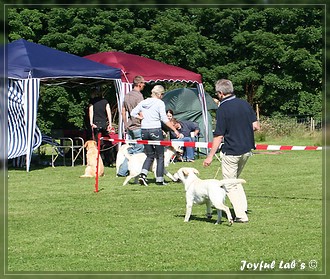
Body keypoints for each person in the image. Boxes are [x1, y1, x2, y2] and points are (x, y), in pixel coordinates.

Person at [203, 79, 260, 223]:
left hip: (232, 151)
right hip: (247, 150)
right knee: (235, 180)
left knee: (229, 184)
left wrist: (210, 156)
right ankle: (243, 207)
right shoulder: (245, 104)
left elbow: (219, 135)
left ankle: (241, 215)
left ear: (220, 93)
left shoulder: (223, 108)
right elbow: (256, 126)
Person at [131, 85, 182, 186]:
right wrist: (174, 130)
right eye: (162, 94)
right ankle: (159, 179)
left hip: (144, 130)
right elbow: (164, 119)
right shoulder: (160, 103)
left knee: (150, 155)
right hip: (155, 130)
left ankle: (143, 175)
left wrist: (140, 118)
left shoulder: (144, 102)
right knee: (160, 156)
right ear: (159, 94)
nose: (162, 96)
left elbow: (133, 113)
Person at [117, 75, 146, 176]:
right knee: (138, 152)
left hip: (130, 126)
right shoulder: (139, 96)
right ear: (139, 84)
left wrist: (125, 124)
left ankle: (123, 170)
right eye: (143, 83)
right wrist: (144, 121)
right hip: (138, 126)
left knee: (131, 150)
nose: (144, 85)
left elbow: (123, 111)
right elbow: (141, 112)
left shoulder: (127, 95)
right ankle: (126, 171)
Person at [88, 87, 113, 166]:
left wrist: (91, 123)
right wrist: (110, 123)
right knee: (107, 143)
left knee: (97, 143)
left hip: (96, 124)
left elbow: (91, 111)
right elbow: (108, 112)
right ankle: (108, 160)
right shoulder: (105, 101)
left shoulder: (92, 102)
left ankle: (98, 160)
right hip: (103, 124)